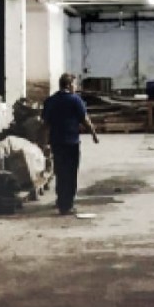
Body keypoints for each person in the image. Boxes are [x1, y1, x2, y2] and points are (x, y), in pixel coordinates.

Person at [41, 73, 98, 215]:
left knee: (60, 172)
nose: (76, 87)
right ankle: (67, 205)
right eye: (75, 84)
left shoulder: (50, 101)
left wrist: (44, 143)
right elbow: (85, 119)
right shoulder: (75, 100)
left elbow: (45, 124)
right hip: (71, 142)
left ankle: (61, 201)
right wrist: (93, 134)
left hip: (56, 142)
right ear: (69, 85)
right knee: (71, 173)